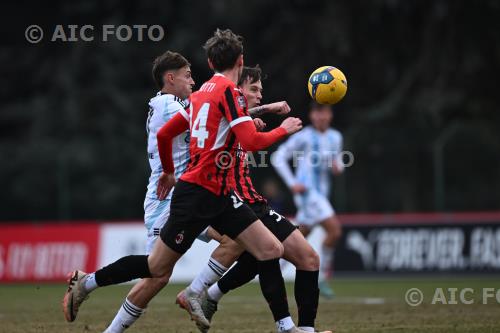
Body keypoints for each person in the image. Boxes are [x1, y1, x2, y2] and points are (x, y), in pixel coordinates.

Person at [62, 28, 309, 333]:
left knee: (270, 249)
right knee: (156, 268)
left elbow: (167, 134)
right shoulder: (227, 93)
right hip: (197, 195)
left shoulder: (203, 92)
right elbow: (253, 141)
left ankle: (284, 328)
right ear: (241, 60)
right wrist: (284, 129)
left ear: (209, 61)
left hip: (219, 194)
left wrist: (168, 170)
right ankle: (88, 282)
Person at [176, 65, 331, 333]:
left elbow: (242, 119)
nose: (259, 95)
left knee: (307, 259)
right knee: (264, 251)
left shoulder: (237, 115)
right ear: (237, 91)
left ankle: (304, 329)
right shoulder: (225, 113)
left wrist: (266, 109)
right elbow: (249, 137)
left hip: (254, 201)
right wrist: (282, 127)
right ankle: (200, 293)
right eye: (254, 90)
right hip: (233, 201)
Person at [272, 102, 344, 298]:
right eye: (318, 112)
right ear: (312, 115)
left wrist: (338, 167)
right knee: (334, 230)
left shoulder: (335, 137)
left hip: (322, 193)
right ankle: (322, 278)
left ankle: (271, 266)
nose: (321, 116)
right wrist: (292, 183)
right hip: (307, 193)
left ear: (330, 115)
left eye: (325, 112)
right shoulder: (304, 137)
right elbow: (278, 157)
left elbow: (337, 162)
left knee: (300, 235)